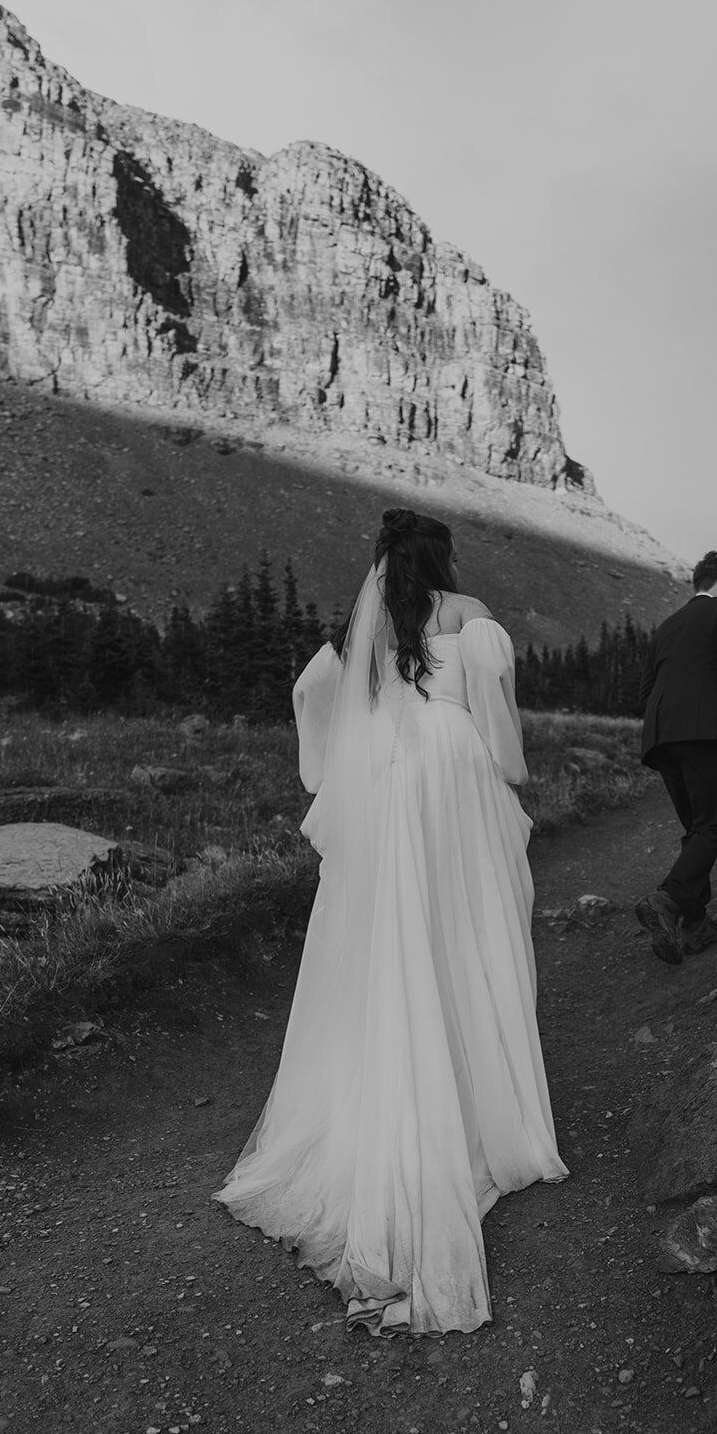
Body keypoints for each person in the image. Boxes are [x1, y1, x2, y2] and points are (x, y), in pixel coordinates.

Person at [214, 508, 567, 1335]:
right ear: (440, 560)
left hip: (390, 786)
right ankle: (490, 1115)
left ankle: (398, 1100)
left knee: (398, 941)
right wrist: (511, 782)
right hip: (454, 778)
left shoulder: (361, 634)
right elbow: (498, 724)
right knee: (475, 932)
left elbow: (311, 692)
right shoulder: (469, 616)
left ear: (382, 569)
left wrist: (336, 766)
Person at [634, 550, 717, 965]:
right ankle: (667, 901)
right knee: (715, 826)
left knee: (695, 828)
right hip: (702, 728)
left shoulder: (667, 625)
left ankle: (696, 924)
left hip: (661, 735)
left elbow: (646, 690)